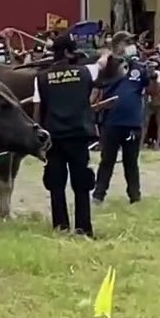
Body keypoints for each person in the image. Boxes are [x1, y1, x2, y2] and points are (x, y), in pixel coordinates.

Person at [31, 33, 109, 237]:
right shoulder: (86, 71)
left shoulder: (41, 78)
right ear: (67, 51)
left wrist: (39, 139)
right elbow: (103, 63)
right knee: (82, 184)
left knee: (56, 184)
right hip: (78, 135)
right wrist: (107, 50)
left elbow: (37, 111)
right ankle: (83, 228)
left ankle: (61, 227)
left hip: (53, 137)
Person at [94, 39, 154, 204]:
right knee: (107, 160)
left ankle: (134, 196)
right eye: (124, 43)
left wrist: (152, 76)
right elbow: (97, 85)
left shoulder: (140, 69)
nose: (128, 47)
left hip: (132, 124)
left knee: (131, 162)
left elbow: (151, 90)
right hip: (112, 122)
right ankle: (99, 194)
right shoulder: (108, 67)